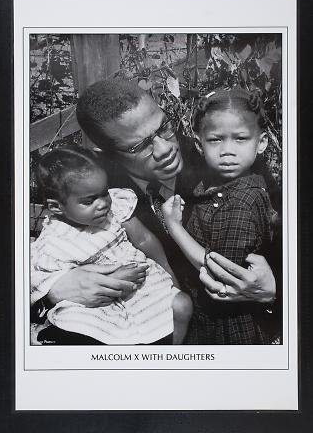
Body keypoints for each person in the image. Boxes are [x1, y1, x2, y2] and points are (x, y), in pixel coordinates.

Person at [32, 78, 278, 344]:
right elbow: (45, 247)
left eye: (165, 127)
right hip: (139, 329)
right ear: (106, 152)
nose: (165, 148)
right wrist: (53, 291)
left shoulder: (223, 157)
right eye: (140, 146)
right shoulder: (92, 186)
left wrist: (274, 290)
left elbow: (285, 242)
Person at [31, 145, 192, 345]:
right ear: (56, 207)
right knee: (76, 324)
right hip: (99, 305)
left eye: (103, 193)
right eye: (89, 200)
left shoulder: (116, 206)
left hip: (144, 287)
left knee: (182, 305)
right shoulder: (54, 242)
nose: (103, 204)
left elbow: (143, 239)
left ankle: (172, 352)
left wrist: (169, 273)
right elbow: (48, 284)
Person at [162, 88, 278, 344]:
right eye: (215, 139)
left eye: (240, 139)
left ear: (261, 143)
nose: (228, 150)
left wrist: (175, 227)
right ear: (198, 143)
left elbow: (223, 271)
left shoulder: (243, 199)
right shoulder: (210, 187)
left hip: (230, 327)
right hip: (208, 315)